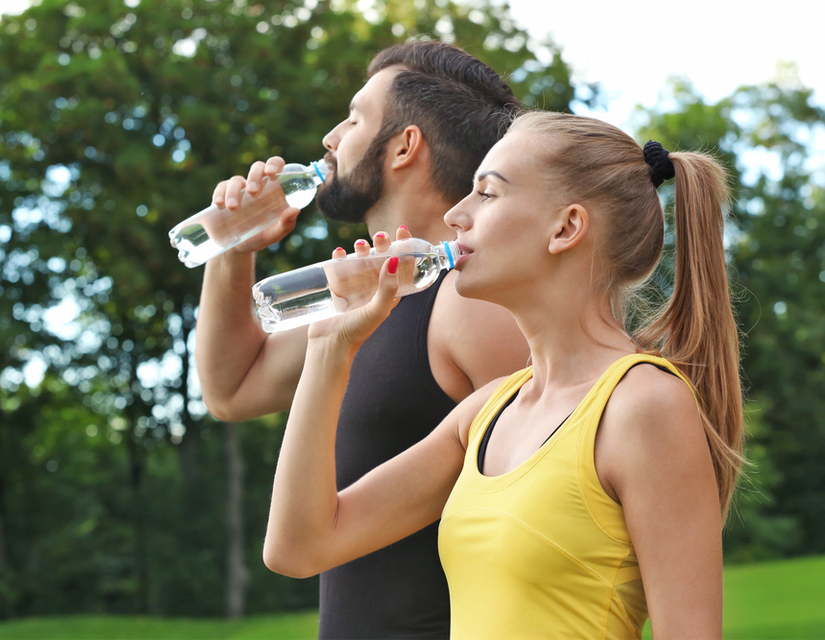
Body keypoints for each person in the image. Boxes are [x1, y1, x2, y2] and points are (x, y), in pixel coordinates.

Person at [263, 111, 745, 639]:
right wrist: (330, 346)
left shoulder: (642, 405)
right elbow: (299, 547)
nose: (455, 216)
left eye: (486, 194)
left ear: (565, 228)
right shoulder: (488, 411)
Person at [196, 41, 530, 638]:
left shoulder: (472, 303)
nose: (330, 136)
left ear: (405, 146)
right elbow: (231, 390)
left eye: (353, 118)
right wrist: (234, 250)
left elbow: (544, 505)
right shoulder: (363, 297)